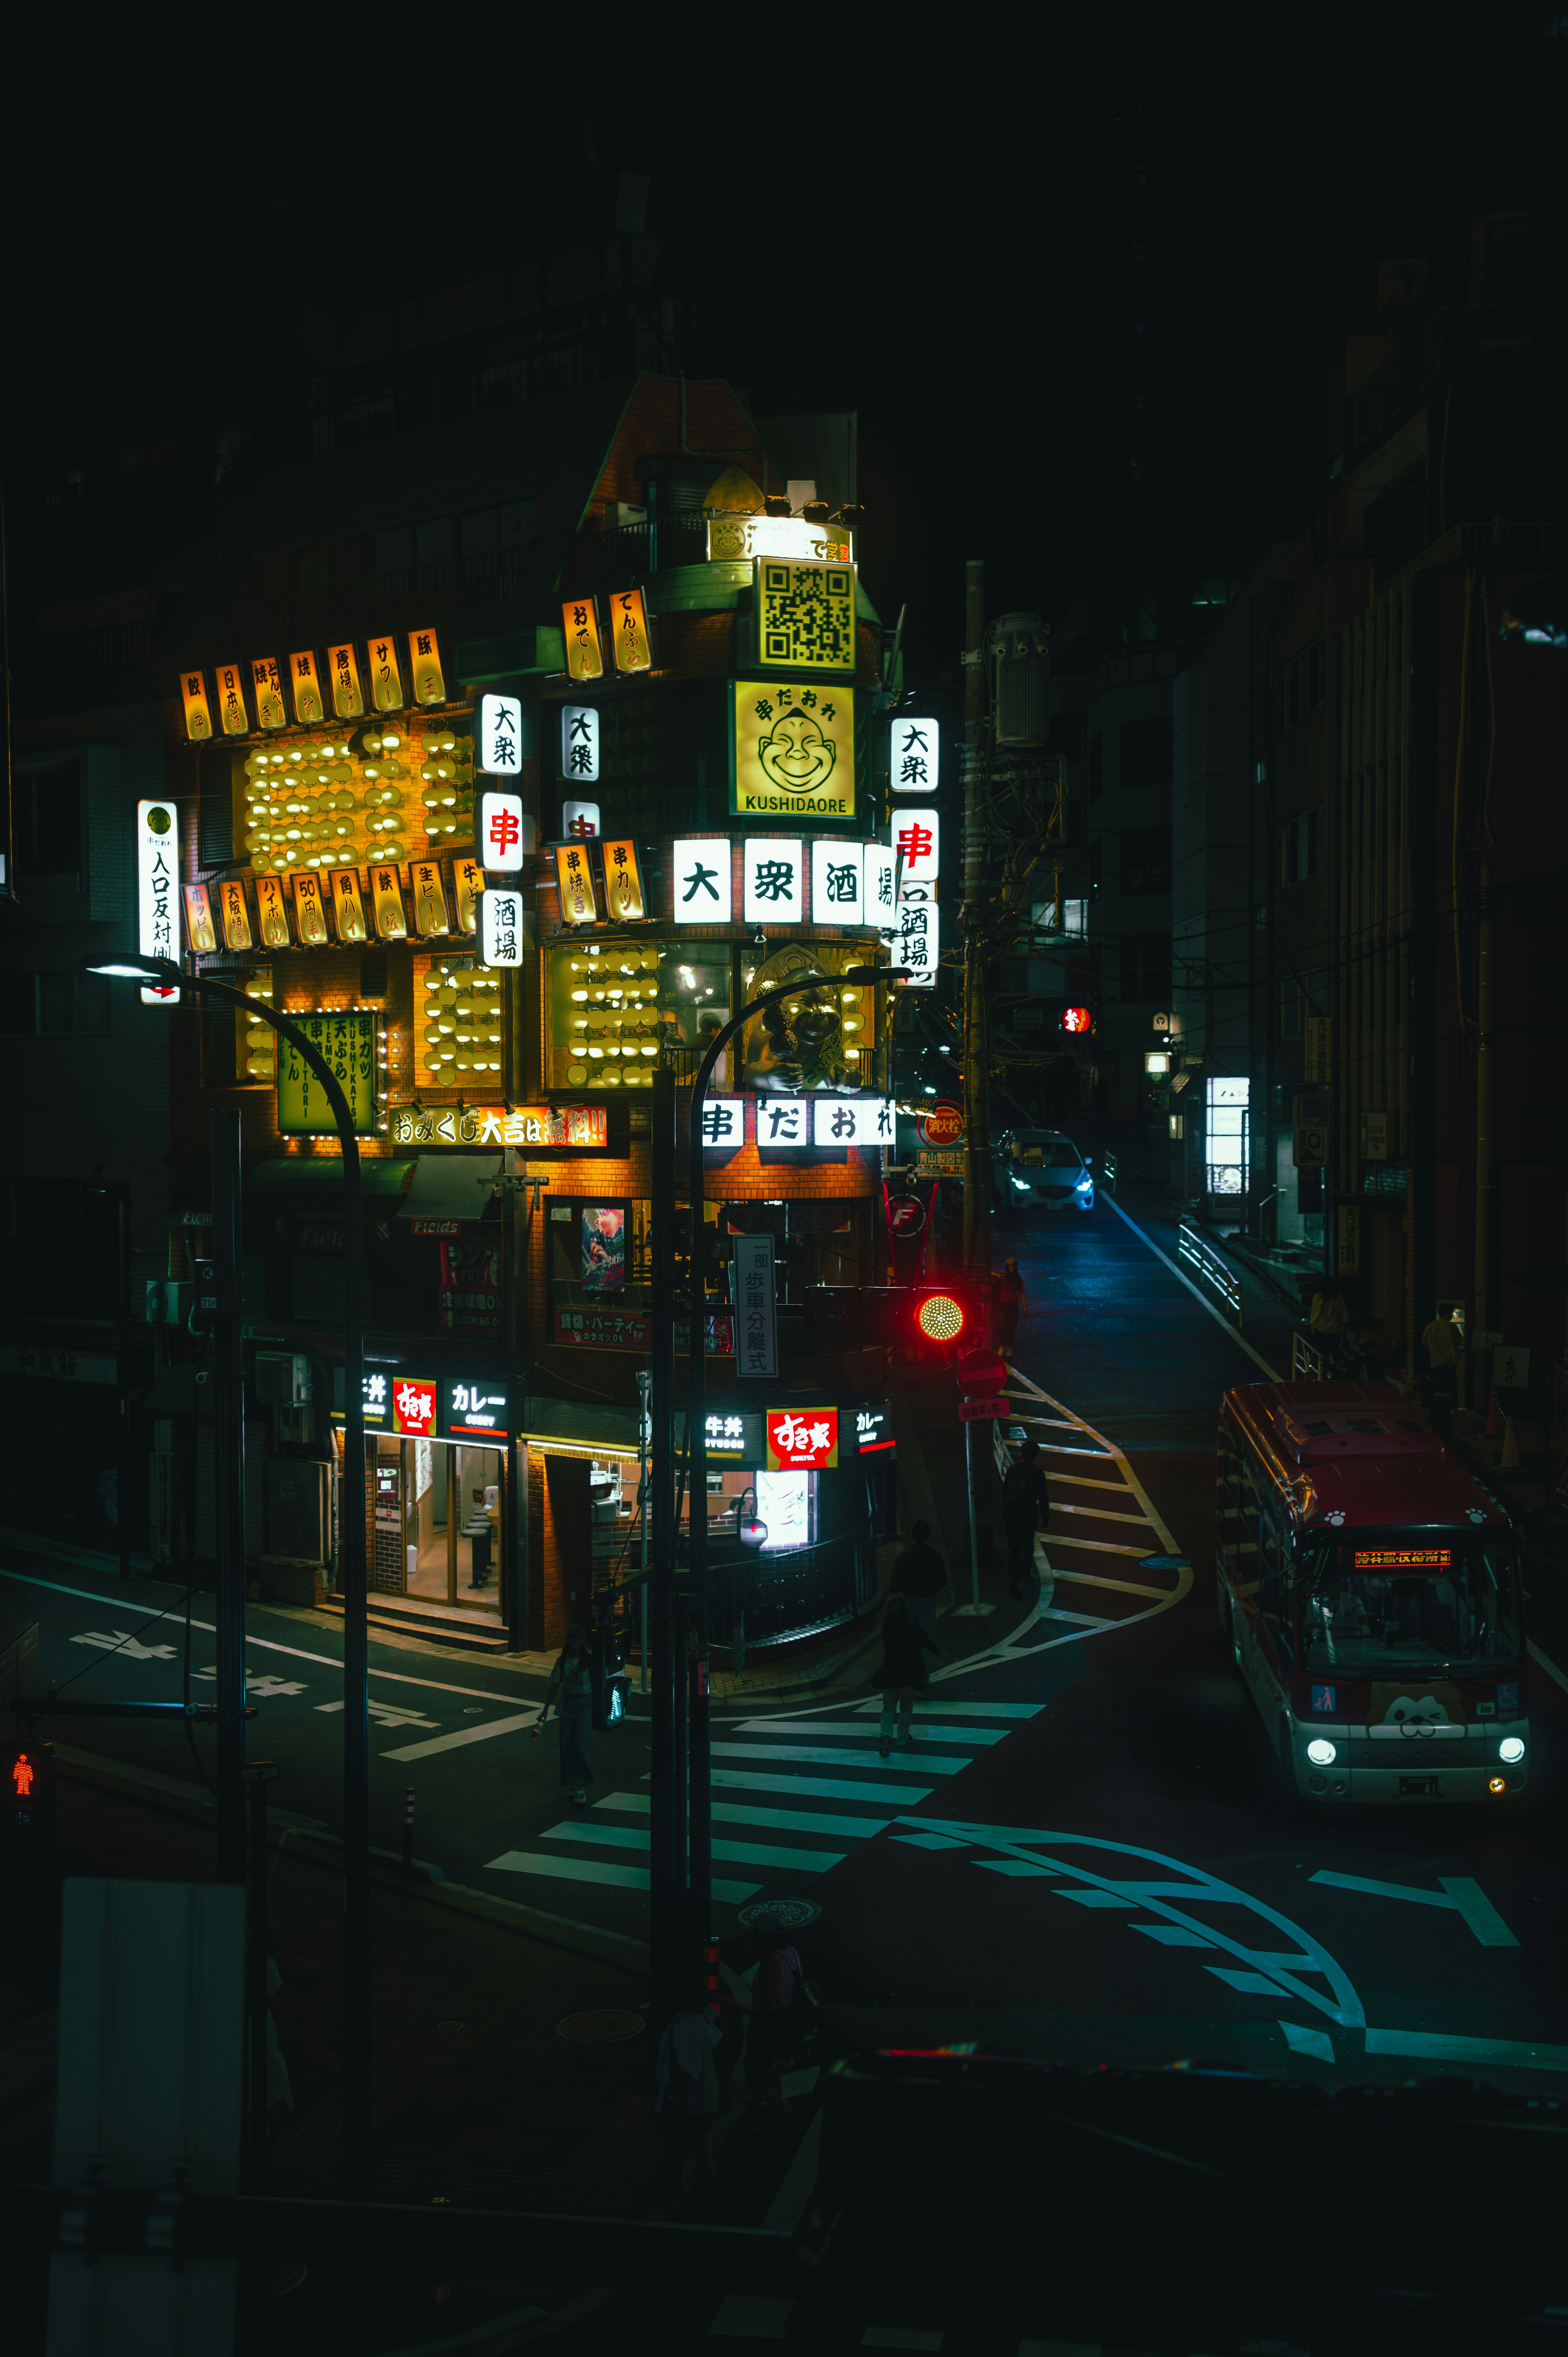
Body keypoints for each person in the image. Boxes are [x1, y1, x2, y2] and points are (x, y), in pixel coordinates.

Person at [655, 1996, 724, 2201]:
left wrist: (674, 2103)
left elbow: (687, 2072)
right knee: (695, 2148)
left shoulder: (685, 2027)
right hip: (707, 2096)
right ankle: (680, 2188)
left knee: (698, 2150)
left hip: (695, 2102)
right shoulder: (702, 2021)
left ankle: (712, 2200)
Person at [748, 1920, 809, 2118]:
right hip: (791, 2021)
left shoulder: (770, 1962)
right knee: (774, 2073)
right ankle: (773, 2122)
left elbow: (765, 2006)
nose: (752, 1939)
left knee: (754, 2078)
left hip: (771, 2026)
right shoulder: (790, 1952)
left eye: (754, 1935)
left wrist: (753, 2040)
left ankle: (790, 2113)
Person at [532, 1622, 594, 1803]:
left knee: (581, 1745)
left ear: (583, 1640)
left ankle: (581, 1785)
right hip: (568, 1705)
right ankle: (573, 1783)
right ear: (568, 1640)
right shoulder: (562, 1660)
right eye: (571, 1637)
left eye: (577, 1638)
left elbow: (597, 1685)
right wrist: (545, 1710)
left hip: (585, 1705)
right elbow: (554, 1685)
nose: (574, 1640)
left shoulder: (589, 1661)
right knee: (567, 1746)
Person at [875, 1590, 940, 1757]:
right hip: (908, 1674)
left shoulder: (886, 1628)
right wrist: (940, 1653)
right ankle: (903, 1737)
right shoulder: (911, 1625)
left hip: (889, 1673)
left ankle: (885, 1736)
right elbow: (925, 1640)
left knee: (888, 1708)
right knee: (906, 1708)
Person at [1002, 1437, 1050, 1597]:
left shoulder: (1012, 1470)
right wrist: (1045, 1518)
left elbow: (1005, 1494)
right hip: (1029, 1516)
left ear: (1022, 1454)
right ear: (1036, 1455)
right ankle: (1027, 1574)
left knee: (1014, 1549)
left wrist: (1006, 1514)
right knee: (1028, 1545)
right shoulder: (1037, 1473)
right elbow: (1043, 1498)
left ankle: (1014, 1580)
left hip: (1013, 1516)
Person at [890, 1518, 948, 1646]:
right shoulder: (935, 1556)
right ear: (927, 1535)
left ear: (912, 1535)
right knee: (928, 1636)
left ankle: (913, 1663)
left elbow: (895, 1584)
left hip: (909, 1600)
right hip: (927, 1599)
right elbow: (943, 1581)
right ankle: (926, 1664)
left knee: (909, 1635)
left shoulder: (903, 1557)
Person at [996, 1258, 1027, 1360]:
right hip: (1002, 1304)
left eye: (1014, 1266)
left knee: (1012, 1327)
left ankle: (1009, 1347)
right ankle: (1002, 1346)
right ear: (1007, 1267)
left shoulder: (1019, 1279)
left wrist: (1025, 1306)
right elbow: (989, 1272)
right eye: (1011, 1266)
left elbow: (1022, 1293)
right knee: (1003, 1325)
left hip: (1013, 1305)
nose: (1013, 1267)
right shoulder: (1003, 1277)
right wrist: (998, 1276)